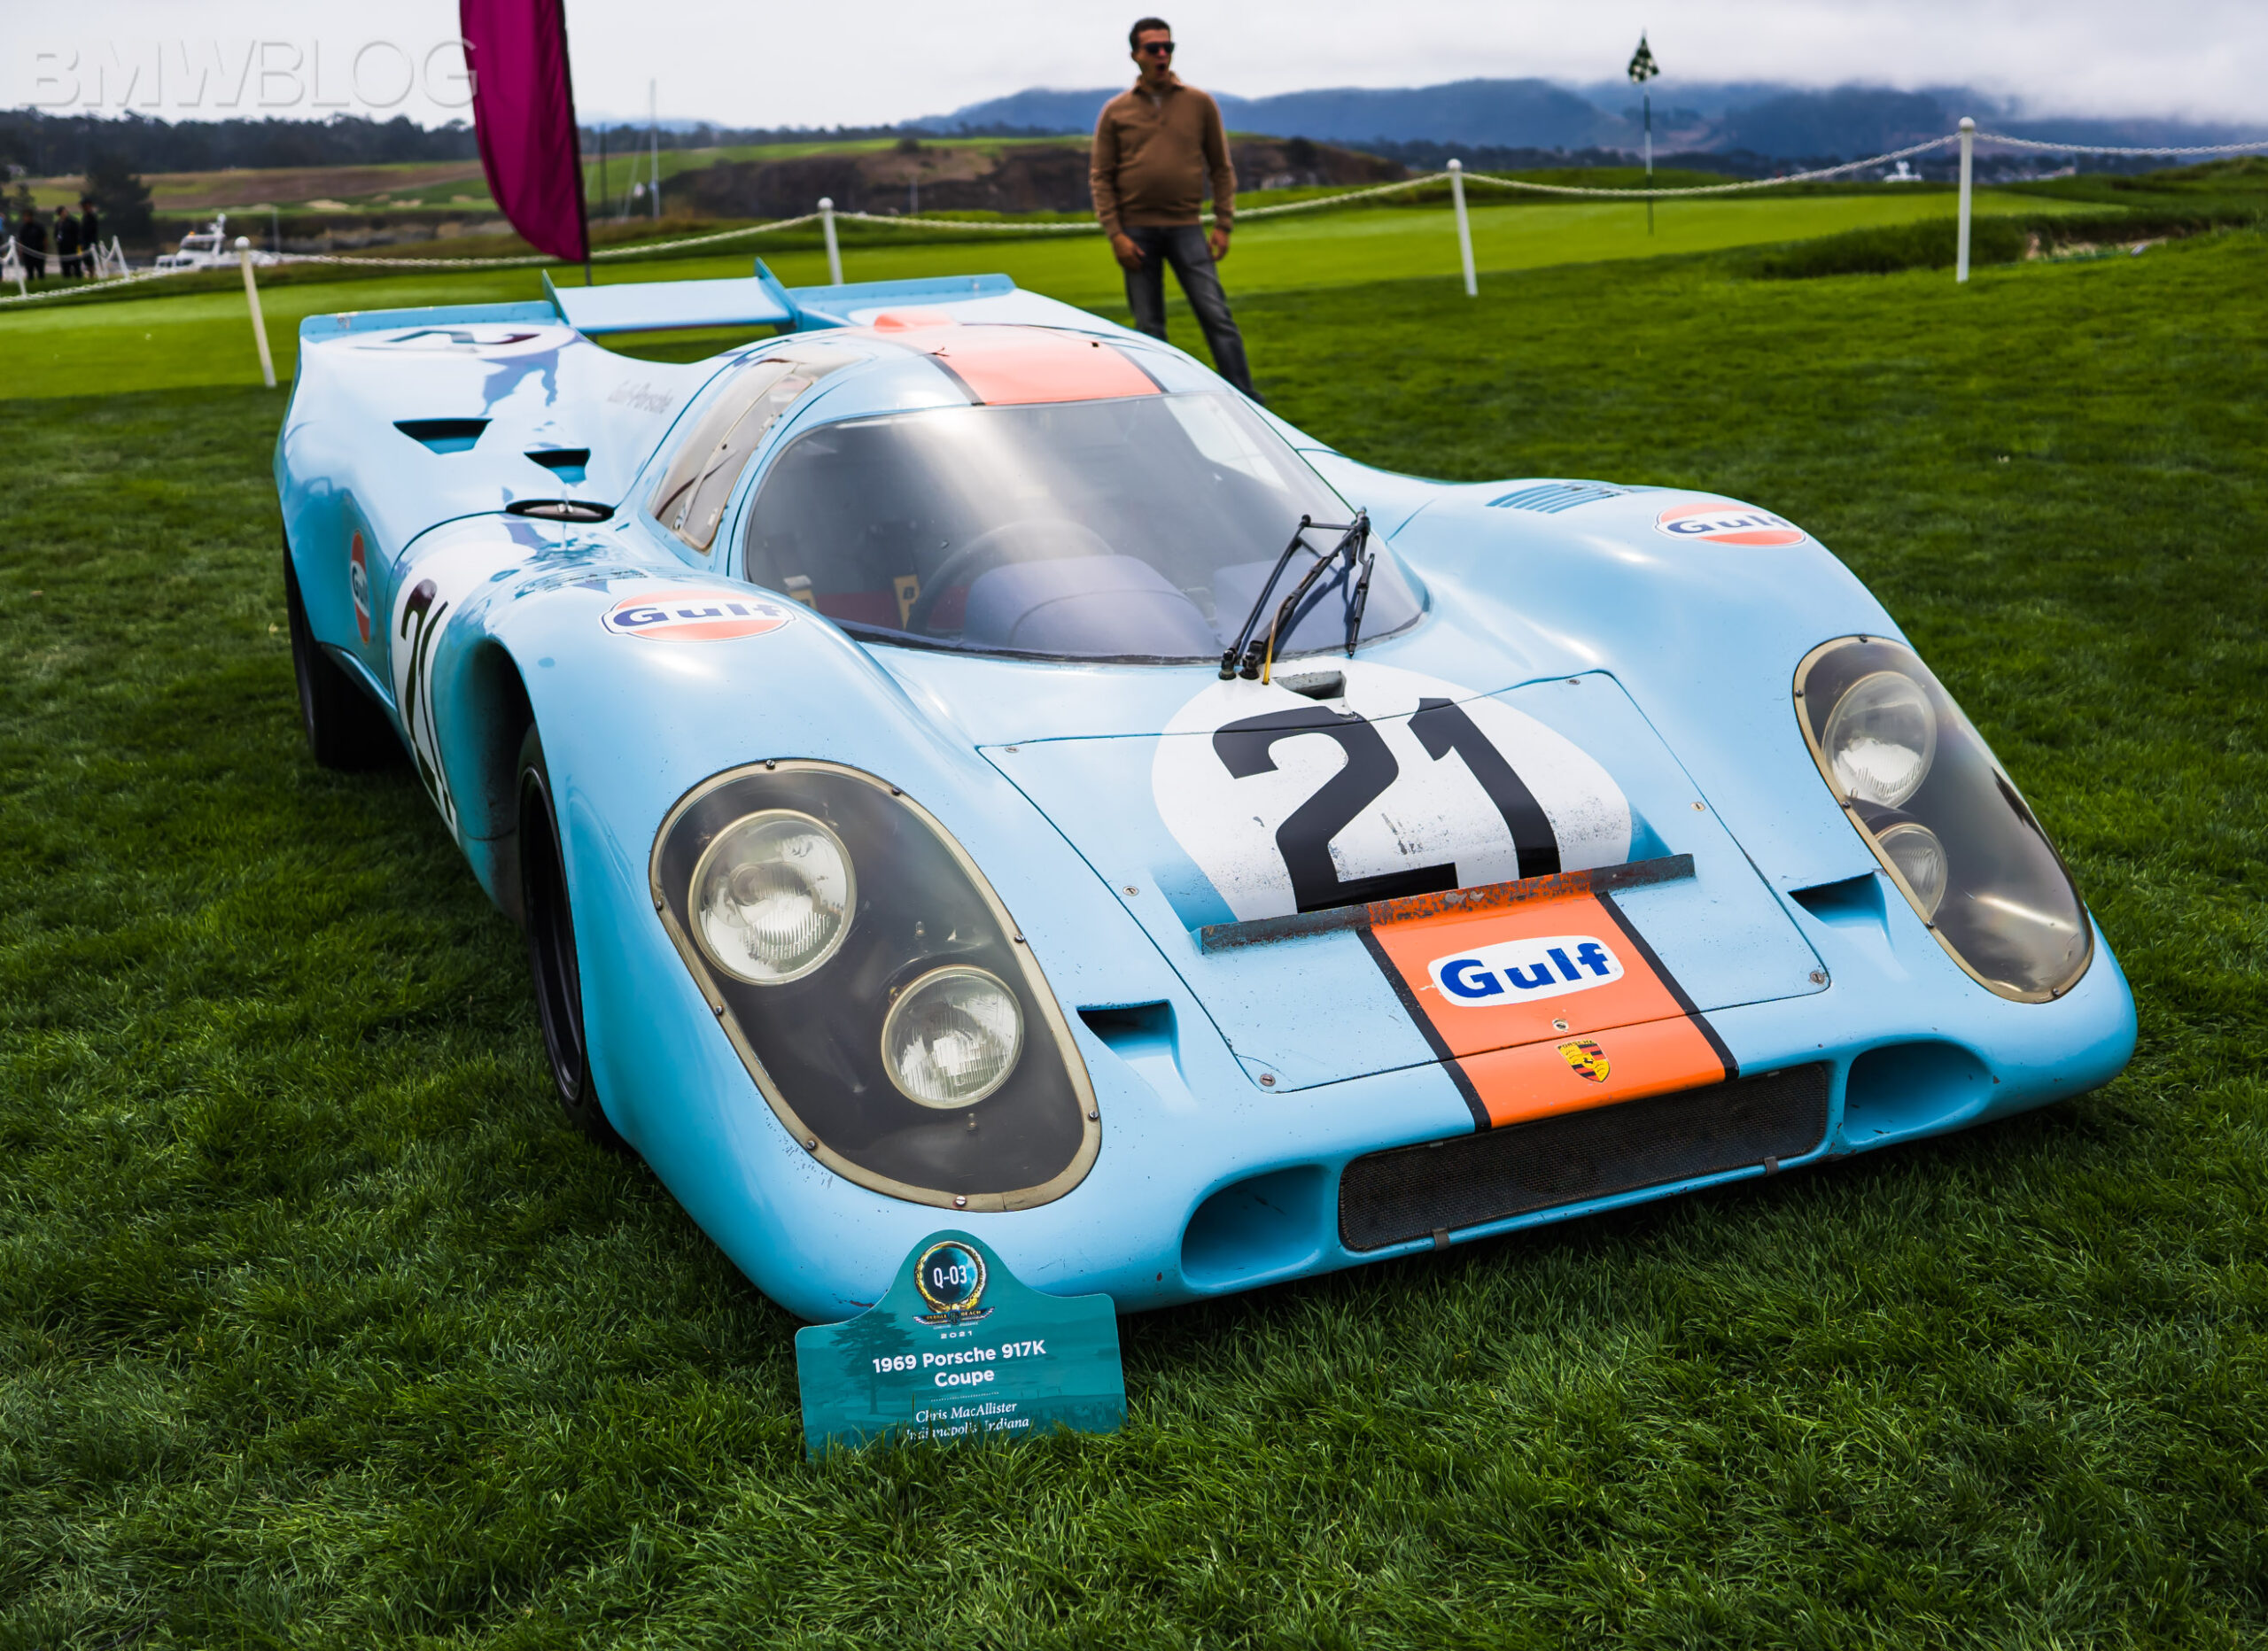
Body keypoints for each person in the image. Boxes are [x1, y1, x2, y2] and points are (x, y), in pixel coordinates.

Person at [1090, 17, 1255, 396]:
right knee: (1149, 327)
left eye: (1168, 47)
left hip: (1187, 227)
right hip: (1136, 232)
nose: (1162, 54)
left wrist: (1224, 223)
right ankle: (1161, 402)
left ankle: (1248, 399)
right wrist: (1116, 235)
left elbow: (1220, 167)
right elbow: (1101, 177)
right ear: (1136, 55)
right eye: (1153, 48)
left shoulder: (1200, 103)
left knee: (1216, 315)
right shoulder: (1115, 111)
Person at [17, 204, 46, 281]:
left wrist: (44, 250)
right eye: (24, 216)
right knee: (29, 272)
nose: (25, 218)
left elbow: (44, 238)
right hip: (27, 254)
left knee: (40, 271)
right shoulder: (23, 228)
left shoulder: (38, 226)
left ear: (31, 217)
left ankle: (42, 283)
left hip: (38, 252)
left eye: (26, 216)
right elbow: (20, 241)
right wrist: (20, 252)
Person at [54, 205, 81, 280]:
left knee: (76, 264)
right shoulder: (58, 224)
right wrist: (58, 241)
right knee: (65, 265)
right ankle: (67, 277)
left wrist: (79, 247)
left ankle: (78, 277)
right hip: (63, 248)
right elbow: (57, 235)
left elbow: (78, 234)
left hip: (74, 247)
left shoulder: (73, 222)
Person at [79, 196, 103, 273]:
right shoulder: (85, 216)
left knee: (90, 260)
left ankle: (92, 272)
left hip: (90, 241)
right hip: (84, 241)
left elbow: (91, 230)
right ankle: (90, 272)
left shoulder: (92, 216)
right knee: (85, 258)